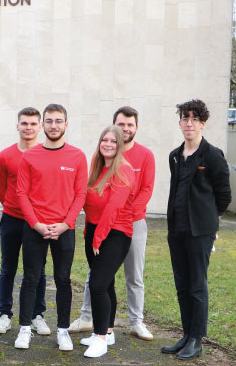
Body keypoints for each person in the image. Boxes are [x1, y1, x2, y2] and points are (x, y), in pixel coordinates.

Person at [69, 106, 156, 341]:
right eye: (121, 125)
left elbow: (141, 191)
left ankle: (134, 322)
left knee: (129, 276)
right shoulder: (98, 165)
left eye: (130, 125)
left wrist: (128, 214)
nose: (125, 129)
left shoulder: (135, 161)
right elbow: (89, 199)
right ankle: (101, 327)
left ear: (135, 128)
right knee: (102, 281)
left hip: (125, 225)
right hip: (98, 228)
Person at [161, 99, 231, 361]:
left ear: (202, 123)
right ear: (180, 123)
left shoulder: (212, 155)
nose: (188, 123)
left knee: (197, 286)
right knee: (181, 285)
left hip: (199, 232)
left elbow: (223, 194)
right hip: (175, 231)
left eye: (194, 118)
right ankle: (186, 334)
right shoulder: (175, 156)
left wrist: (212, 222)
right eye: (184, 118)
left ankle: (196, 340)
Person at [15, 104, 87, 351]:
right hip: (35, 228)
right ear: (42, 125)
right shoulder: (30, 156)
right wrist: (36, 224)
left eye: (58, 121)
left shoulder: (77, 156)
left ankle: (63, 330)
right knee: (31, 278)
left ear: (66, 124)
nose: (54, 125)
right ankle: (25, 328)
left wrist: (66, 224)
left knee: (63, 279)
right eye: (49, 121)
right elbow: (21, 193)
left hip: (64, 229)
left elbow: (80, 194)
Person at [0, 107, 51, 335]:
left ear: (40, 127)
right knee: (8, 267)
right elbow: (1, 188)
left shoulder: (47, 154)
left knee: (38, 270)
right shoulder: (6, 156)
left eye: (33, 124)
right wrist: (13, 207)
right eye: (24, 123)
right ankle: (4, 314)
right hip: (12, 219)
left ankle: (37, 314)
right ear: (17, 126)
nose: (28, 128)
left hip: (38, 221)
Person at [80, 125, 136, 358]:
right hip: (93, 231)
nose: (109, 144)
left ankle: (100, 338)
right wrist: (89, 233)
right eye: (105, 140)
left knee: (98, 285)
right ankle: (108, 331)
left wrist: (99, 238)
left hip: (115, 233)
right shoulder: (96, 166)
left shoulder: (124, 170)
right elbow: (87, 202)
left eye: (114, 141)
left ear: (120, 145)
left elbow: (113, 208)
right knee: (107, 283)